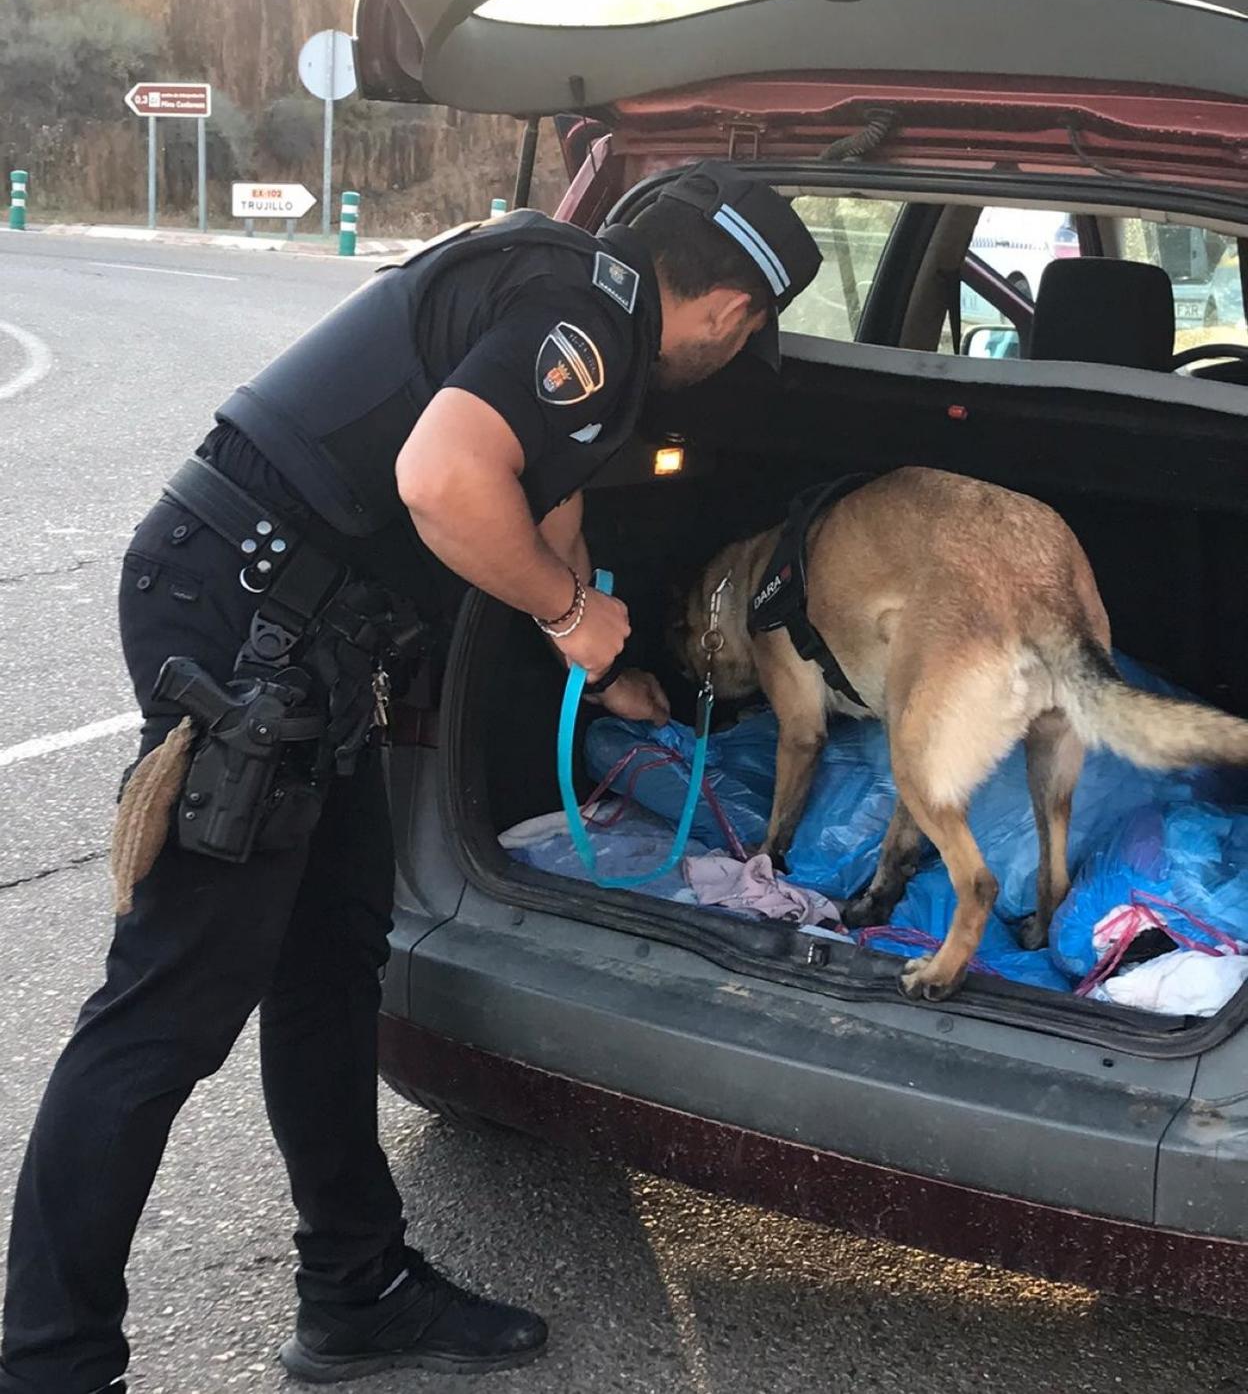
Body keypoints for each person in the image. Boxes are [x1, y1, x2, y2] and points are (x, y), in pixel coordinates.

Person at [0, 161, 821, 1394]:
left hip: (284, 628)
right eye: (745, 333)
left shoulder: (567, 288)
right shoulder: (593, 320)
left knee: (331, 959)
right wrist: (562, 619)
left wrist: (603, 661)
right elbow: (443, 480)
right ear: (729, 307)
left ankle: (356, 1290)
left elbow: (545, 508)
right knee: (168, 1004)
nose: (733, 351)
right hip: (247, 621)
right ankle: (50, 1363)